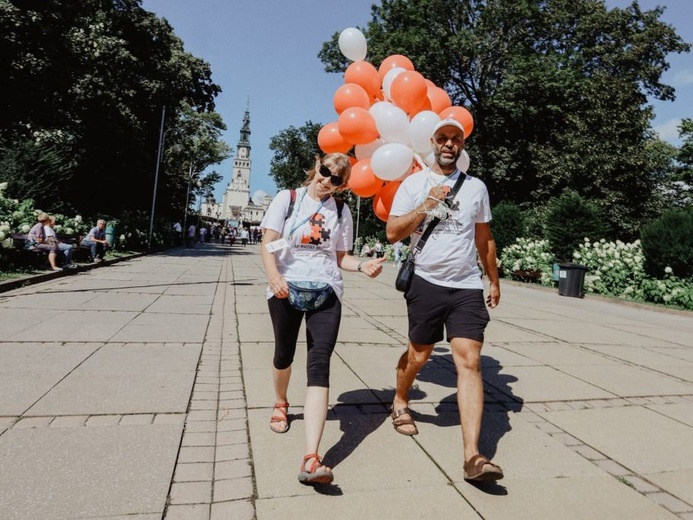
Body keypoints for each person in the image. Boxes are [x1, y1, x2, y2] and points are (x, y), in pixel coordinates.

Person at [385, 118, 503, 482]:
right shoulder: (413, 184)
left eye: (456, 139)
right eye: (443, 138)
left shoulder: (476, 188)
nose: (449, 144)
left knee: (469, 359)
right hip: (426, 282)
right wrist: (426, 204)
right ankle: (400, 399)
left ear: (462, 145)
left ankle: (473, 457)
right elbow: (392, 233)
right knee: (419, 354)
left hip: (466, 285)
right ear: (432, 143)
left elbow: (484, 238)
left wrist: (494, 281)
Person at [260, 153, 386, 486]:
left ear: (343, 185)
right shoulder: (287, 200)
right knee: (283, 355)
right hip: (286, 288)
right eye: (325, 171)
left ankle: (312, 457)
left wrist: (362, 266)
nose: (326, 180)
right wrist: (273, 276)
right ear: (316, 166)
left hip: (326, 291)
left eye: (336, 179)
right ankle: (281, 401)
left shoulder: (341, 211)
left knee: (319, 365)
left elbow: (341, 257)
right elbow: (268, 243)